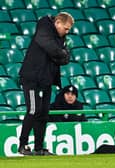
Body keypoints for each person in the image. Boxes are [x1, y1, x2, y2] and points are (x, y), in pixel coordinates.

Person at [18, 12, 74, 155]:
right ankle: (22, 145)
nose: (67, 32)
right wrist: (60, 52)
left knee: (43, 113)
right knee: (33, 110)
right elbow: (49, 46)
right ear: (58, 23)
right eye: (66, 28)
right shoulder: (44, 24)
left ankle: (38, 148)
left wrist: (59, 53)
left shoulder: (60, 38)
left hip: (46, 79)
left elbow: (65, 59)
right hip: (32, 77)